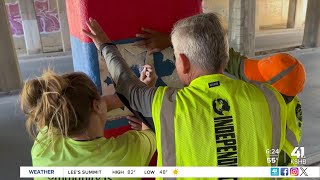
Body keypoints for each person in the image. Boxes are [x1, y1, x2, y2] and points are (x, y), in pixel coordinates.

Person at [83, 12, 288, 173]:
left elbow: (127, 86)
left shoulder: (168, 106)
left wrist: (104, 46)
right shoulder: (271, 98)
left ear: (183, 62)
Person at [133, 22, 306, 166]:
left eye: (255, 78)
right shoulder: (277, 95)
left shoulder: (274, 129)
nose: (247, 77)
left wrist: (151, 124)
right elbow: (229, 60)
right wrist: (177, 43)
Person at [20, 69, 156, 180]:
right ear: (96, 105)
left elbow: (85, 108)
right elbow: (151, 129)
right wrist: (142, 94)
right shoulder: (126, 155)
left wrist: (126, 97)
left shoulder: (43, 147)